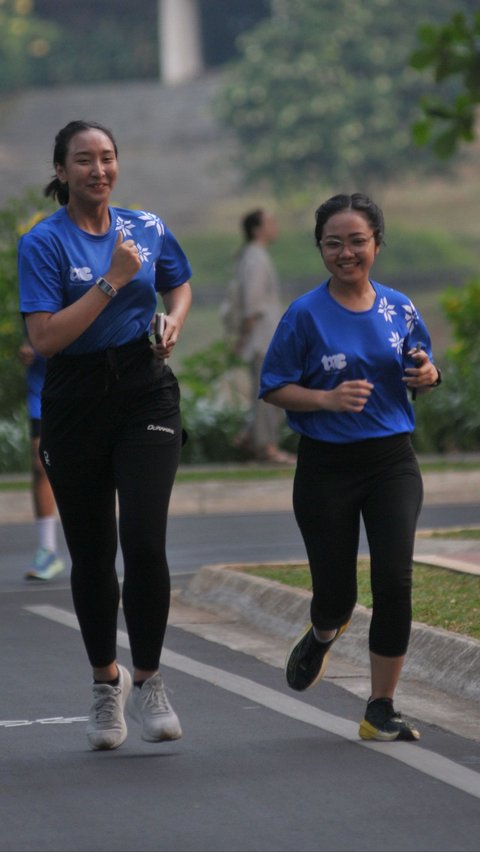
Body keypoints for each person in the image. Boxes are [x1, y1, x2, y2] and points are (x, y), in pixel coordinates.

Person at [17, 120, 192, 751]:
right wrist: (113, 281)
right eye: (84, 161)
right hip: (75, 399)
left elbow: (179, 279)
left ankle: (148, 678)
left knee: (145, 541)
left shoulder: (145, 226)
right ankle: (104, 682)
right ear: (61, 172)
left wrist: (172, 318)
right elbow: (44, 339)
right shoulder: (43, 243)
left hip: (145, 388)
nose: (99, 170)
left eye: (108, 158)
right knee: (92, 553)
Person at [259, 193, 442, 742]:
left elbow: (422, 363)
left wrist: (429, 375)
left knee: (394, 580)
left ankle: (380, 706)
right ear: (320, 249)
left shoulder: (399, 307)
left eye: (356, 241)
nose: (345, 253)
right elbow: (273, 388)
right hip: (325, 468)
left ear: (376, 244)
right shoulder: (305, 314)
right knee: (336, 596)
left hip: (392, 461)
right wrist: (326, 400)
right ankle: (321, 633)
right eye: (333, 243)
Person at [226, 209, 295, 464]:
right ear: (257, 229)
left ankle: (249, 437)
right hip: (261, 338)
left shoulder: (255, 256)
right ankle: (265, 447)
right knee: (270, 391)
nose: (275, 226)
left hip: (263, 336)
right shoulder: (255, 258)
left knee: (267, 390)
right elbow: (252, 304)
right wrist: (244, 338)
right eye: (270, 222)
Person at [18, 340, 65, 580]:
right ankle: (47, 551)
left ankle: (96, 548)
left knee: (89, 465)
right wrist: (28, 345)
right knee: (40, 465)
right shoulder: (26, 300)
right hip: (42, 388)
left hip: (82, 383)